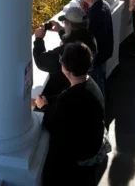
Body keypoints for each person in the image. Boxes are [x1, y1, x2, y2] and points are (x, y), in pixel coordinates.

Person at [36, 42, 107, 185]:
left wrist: (44, 108)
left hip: (82, 154)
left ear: (66, 69)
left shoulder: (69, 98)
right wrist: (48, 102)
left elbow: (54, 125)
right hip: (94, 144)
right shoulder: (91, 84)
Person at [33, 5, 97, 104]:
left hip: (63, 94)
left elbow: (41, 61)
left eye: (65, 23)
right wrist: (60, 30)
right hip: (83, 86)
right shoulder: (90, 38)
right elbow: (74, 37)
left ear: (70, 24)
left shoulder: (69, 51)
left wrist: (39, 39)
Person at [78, 0, 113, 98]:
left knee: (97, 84)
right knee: (101, 78)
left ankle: (100, 110)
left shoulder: (95, 14)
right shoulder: (104, 4)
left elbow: (88, 32)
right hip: (105, 51)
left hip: (97, 55)